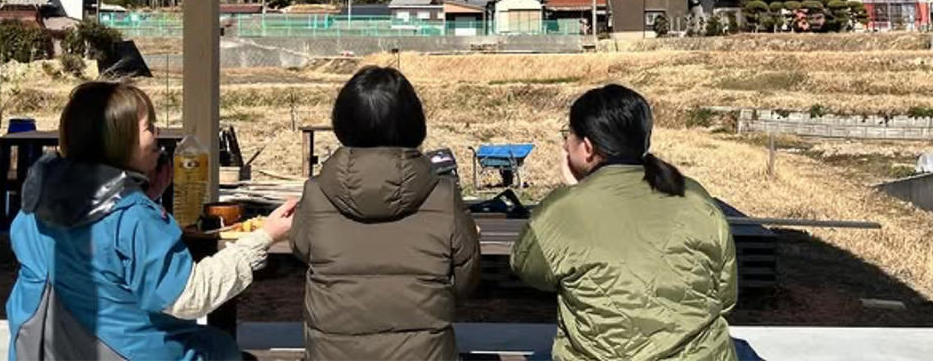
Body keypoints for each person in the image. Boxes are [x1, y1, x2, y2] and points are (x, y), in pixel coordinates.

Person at [6, 80, 297, 361]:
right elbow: (190, 296)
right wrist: (263, 237)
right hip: (124, 352)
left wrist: (144, 196)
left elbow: (93, 249)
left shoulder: (35, 205)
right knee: (220, 348)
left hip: (42, 349)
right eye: (148, 127)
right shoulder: (133, 217)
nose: (157, 133)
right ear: (118, 142)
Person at [511, 84, 739, 361]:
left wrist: (575, 193)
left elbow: (528, 268)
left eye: (568, 134)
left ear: (587, 147)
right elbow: (725, 296)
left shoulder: (562, 210)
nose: (564, 144)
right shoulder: (693, 194)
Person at [290, 66, 480, 361]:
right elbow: (466, 278)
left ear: (342, 122)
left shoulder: (316, 193)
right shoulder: (443, 195)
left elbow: (301, 248)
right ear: (415, 123)